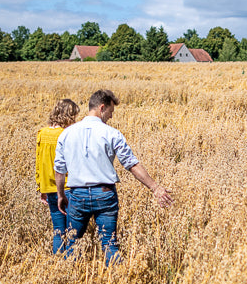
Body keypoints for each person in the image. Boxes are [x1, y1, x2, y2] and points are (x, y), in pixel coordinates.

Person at [54, 89, 173, 266]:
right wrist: (155, 187)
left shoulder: (67, 133)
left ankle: (68, 280)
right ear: (102, 108)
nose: (111, 117)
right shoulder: (112, 133)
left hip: (77, 195)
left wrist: (61, 195)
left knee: (72, 245)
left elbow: (59, 170)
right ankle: (117, 281)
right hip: (105, 194)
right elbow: (131, 164)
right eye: (110, 112)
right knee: (109, 244)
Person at [35, 98, 80, 254]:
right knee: (73, 231)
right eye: (73, 116)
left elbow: (39, 163)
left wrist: (41, 187)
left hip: (49, 188)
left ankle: (56, 266)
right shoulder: (67, 134)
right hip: (68, 187)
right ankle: (71, 266)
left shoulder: (42, 133)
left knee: (58, 231)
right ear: (68, 116)